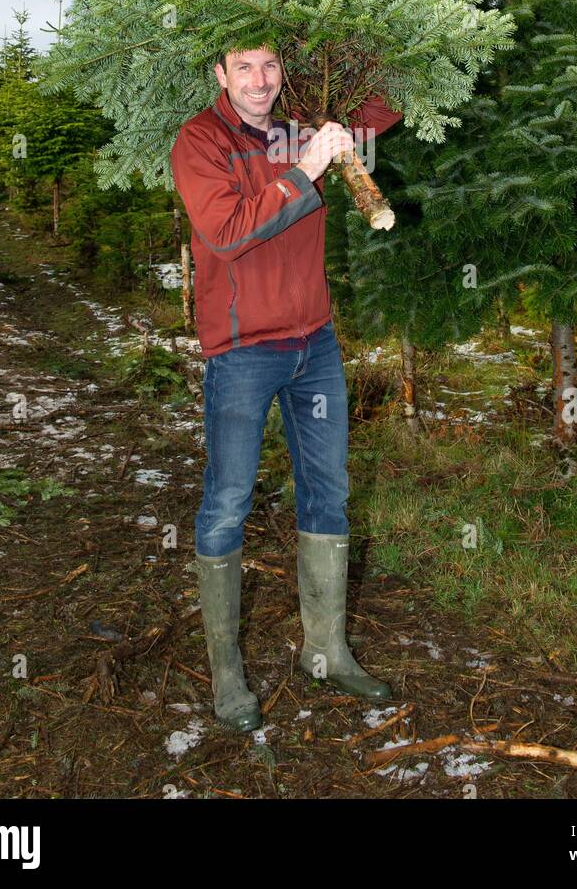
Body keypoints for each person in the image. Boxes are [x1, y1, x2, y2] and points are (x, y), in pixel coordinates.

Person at [171, 45, 402, 731]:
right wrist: (308, 166)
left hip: (316, 344)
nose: (259, 82)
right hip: (243, 352)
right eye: (243, 68)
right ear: (218, 73)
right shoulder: (200, 141)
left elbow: (386, 102)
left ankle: (325, 650)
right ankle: (226, 672)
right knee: (227, 502)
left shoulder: (301, 122)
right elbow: (227, 232)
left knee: (327, 491)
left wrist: (375, 38)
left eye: (271, 66)